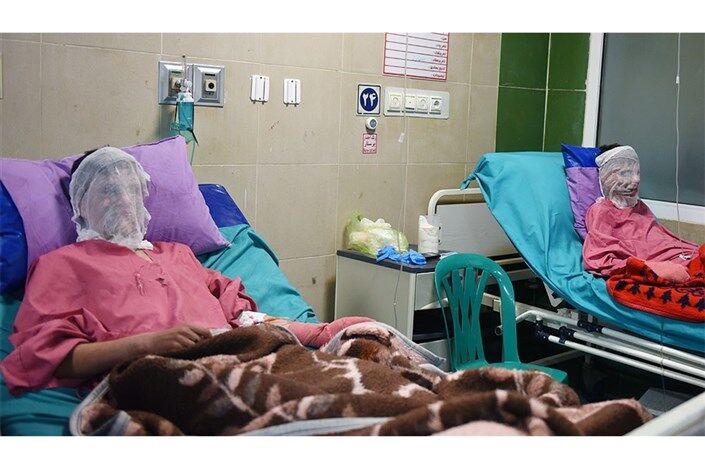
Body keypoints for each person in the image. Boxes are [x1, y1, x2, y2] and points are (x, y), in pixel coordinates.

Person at [0, 147, 367, 395]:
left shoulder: (178, 254)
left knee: (366, 367)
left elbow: (243, 318)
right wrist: (149, 344)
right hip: (161, 377)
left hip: (244, 357)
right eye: (108, 191)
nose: (124, 200)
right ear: (81, 202)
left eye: (131, 189)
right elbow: (47, 356)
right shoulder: (62, 264)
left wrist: (317, 332)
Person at [582, 144, 699, 282]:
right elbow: (597, 259)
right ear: (606, 176)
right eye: (625, 173)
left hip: (681, 256)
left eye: (636, 172)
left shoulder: (639, 206)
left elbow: (660, 239)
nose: (636, 179)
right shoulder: (601, 211)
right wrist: (651, 267)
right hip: (665, 264)